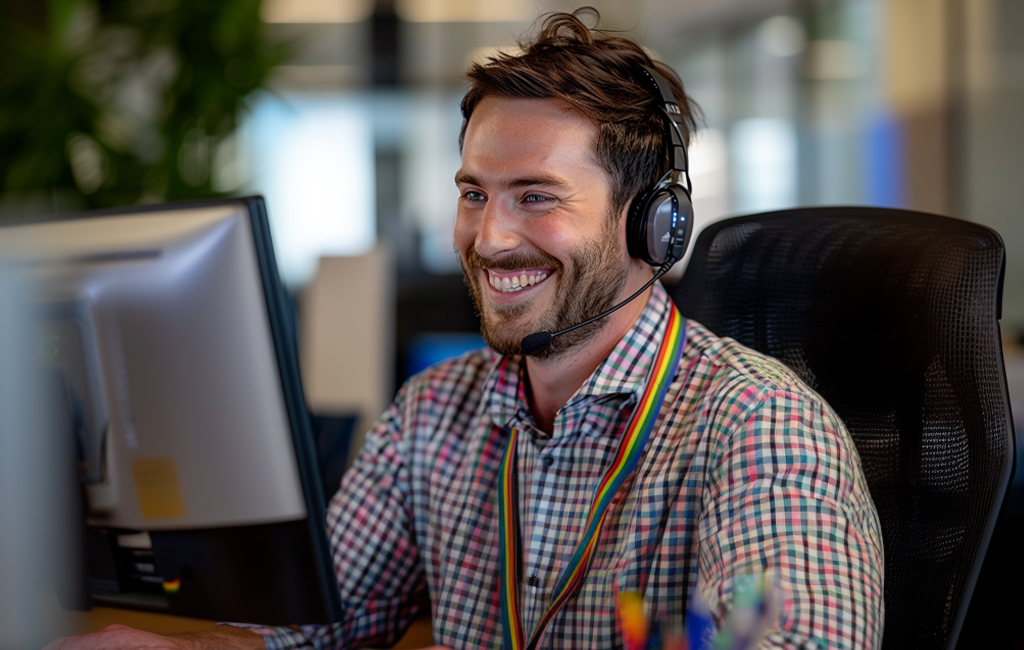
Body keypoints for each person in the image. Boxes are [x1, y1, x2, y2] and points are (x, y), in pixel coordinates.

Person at [46, 9, 883, 650]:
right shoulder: (434, 416)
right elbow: (307, 629)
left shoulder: (757, 427)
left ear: (651, 227)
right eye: (474, 193)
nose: (488, 238)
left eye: (537, 196)